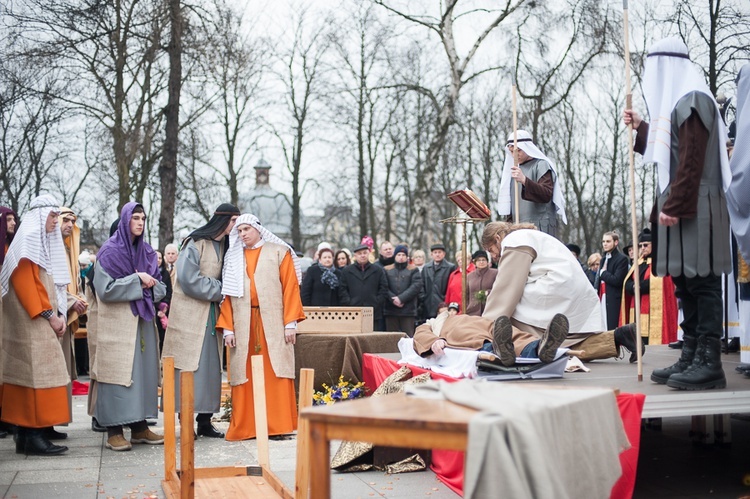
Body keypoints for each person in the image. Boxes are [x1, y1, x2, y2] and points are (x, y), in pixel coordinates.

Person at [623, 37, 731, 390]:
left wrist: (676, 204)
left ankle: (709, 361)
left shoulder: (694, 98)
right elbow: (668, 149)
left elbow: (692, 159)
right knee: (685, 282)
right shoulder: (680, 102)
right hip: (682, 202)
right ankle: (690, 354)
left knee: (702, 281)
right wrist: (641, 127)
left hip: (695, 203)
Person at [413, 221, 641, 366]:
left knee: (512, 322)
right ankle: (620, 336)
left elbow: (507, 288)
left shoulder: (514, 241)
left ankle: (523, 347)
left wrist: (486, 326)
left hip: (554, 288)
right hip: (568, 290)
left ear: (498, 240)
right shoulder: (529, 237)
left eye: (492, 251)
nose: (494, 257)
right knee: (564, 344)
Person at [216, 214, 305, 440]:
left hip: (274, 323)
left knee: (276, 371)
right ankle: (247, 427)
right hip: (243, 323)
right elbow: (227, 295)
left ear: (257, 228)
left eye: (246, 229)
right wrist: (228, 328)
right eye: (239, 230)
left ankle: (277, 426)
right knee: (244, 375)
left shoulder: (278, 252)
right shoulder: (234, 257)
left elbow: (290, 289)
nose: (242, 234)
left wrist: (290, 323)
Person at [92, 202, 166, 451]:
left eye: (143, 218)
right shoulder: (109, 252)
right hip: (117, 324)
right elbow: (104, 289)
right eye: (135, 218)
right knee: (116, 374)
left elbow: (160, 288)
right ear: (125, 220)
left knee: (141, 375)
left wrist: (148, 284)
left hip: (142, 322)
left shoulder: (146, 252)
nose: (140, 222)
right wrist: (137, 280)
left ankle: (139, 427)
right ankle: (114, 430)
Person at [161, 203, 240, 439]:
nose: (236, 226)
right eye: (234, 221)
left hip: (212, 314)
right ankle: (185, 422)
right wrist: (221, 289)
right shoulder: (194, 243)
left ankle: (205, 421)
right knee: (187, 367)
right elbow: (187, 279)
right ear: (224, 220)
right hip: (189, 314)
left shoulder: (228, 245)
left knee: (209, 369)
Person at [0, 194, 70, 455]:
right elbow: (26, 284)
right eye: (52, 216)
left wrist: (56, 314)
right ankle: (31, 434)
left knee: (37, 373)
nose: (55, 221)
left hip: (38, 319)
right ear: (40, 215)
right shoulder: (29, 240)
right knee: (34, 374)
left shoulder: (35, 241)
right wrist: (50, 315)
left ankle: (31, 434)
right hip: (33, 320)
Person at [496, 130, 567, 237]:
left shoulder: (541, 165)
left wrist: (524, 180)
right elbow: (511, 205)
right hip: (518, 229)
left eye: (518, 150)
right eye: (511, 152)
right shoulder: (514, 172)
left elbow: (546, 194)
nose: (514, 155)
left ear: (526, 147)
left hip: (540, 228)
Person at [58, 207, 88, 433]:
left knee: (64, 371)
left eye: (72, 221)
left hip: (65, 317)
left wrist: (78, 299)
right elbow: (50, 284)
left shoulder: (68, 248)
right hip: (52, 318)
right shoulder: (50, 246)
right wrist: (71, 301)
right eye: (65, 220)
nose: (69, 224)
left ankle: (55, 419)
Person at [620, 228, 678, 346]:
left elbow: (658, 283)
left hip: (653, 307)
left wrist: (638, 286)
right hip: (637, 305)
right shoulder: (638, 262)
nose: (642, 248)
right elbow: (627, 282)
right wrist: (632, 287)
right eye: (640, 246)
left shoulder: (661, 263)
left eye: (646, 245)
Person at [338, 244, 389, 327]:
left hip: (373, 311)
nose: (362, 255)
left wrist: (377, 301)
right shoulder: (347, 271)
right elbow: (342, 289)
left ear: (368, 254)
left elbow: (383, 288)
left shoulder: (377, 270)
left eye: (364, 253)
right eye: (360, 253)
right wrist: (349, 302)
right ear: (355, 256)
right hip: (353, 312)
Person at [383, 245, 422, 337]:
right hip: (391, 310)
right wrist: (393, 299)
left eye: (403, 255)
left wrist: (401, 298)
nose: (401, 257)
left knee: (408, 337)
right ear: (395, 256)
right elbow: (384, 286)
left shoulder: (413, 269)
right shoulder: (387, 269)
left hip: (408, 310)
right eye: (399, 255)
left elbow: (416, 286)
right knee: (391, 338)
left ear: (407, 257)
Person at [595, 232, 629, 330]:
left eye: (608, 241)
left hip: (613, 299)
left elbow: (617, 280)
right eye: (603, 241)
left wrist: (603, 273)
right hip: (602, 296)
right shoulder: (603, 259)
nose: (605, 244)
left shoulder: (621, 259)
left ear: (616, 242)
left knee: (612, 327)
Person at [420, 243, 456, 321]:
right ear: (431, 254)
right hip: (428, 304)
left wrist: (445, 299)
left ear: (444, 254)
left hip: (443, 304)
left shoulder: (450, 267)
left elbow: (452, 286)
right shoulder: (426, 268)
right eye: (435, 252)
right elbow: (421, 284)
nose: (437, 255)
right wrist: (424, 297)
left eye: (439, 252)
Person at [465, 250, 497, 316]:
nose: (481, 262)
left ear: (487, 261)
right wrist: (467, 307)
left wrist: (487, 293)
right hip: (472, 312)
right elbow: (466, 294)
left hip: (490, 310)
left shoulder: (495, 273)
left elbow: (500, 289)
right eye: (479, 260)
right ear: (474, 262)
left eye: (484, 260)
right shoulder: (469, 276)